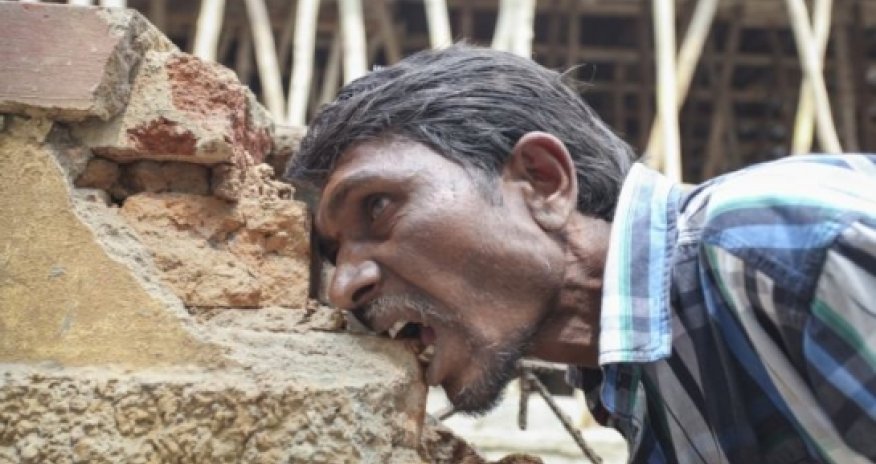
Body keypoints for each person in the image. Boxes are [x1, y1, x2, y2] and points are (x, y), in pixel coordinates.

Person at [284, 45, 876, 463]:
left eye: (378, 206)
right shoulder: (629, 385)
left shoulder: (783, 248)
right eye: (335, 253)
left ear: (542, 181)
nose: (342, 288)